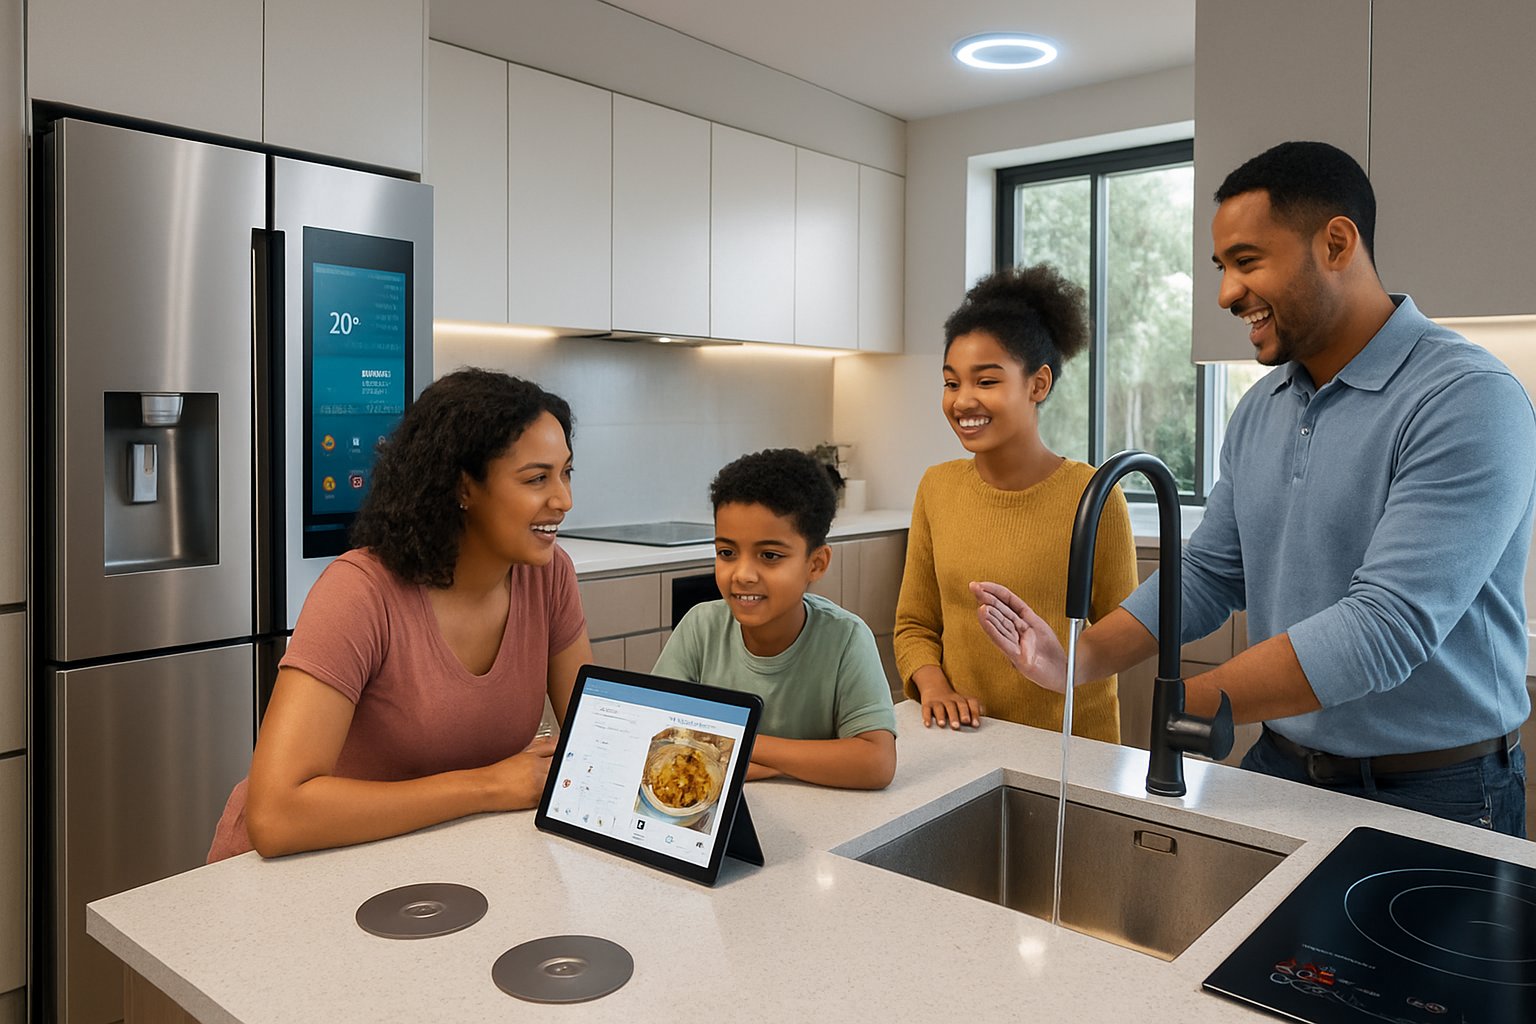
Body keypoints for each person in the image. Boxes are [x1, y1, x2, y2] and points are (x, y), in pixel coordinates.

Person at [973, 141, 1534, 835]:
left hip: (1436, 788)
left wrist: (1199, 696)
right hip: (1283, 762)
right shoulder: (1263, 407)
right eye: (1221, 268)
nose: (1226, 293)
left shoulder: (1466, 398)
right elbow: (1211, 571)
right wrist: (1077, 658)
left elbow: (1385, 628)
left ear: (1336, 243)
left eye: (1246, 261)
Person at [207, 369, 593, 860]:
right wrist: (490, 786)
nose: (563, 500)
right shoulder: (360, 592)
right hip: (295, 870)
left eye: (566, 473)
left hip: (423, 862)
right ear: (463, 487)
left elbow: (592, 737)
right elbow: (277, 814)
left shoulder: (549, 575)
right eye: (537, 478)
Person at [894, 264, 1138, 738]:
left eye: (985, 382)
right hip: (962, 739)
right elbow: (914, 625)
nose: (962, 400)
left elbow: (1126, 635)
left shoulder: (1095, 496)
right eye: (951, 383)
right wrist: (934, 687)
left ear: (1038, 384)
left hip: (1070, 749)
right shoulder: (936, 488)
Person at [652, 448, 897, 789]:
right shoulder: (699, 628)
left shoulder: (846, 639)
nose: (743, 574)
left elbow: (876, 762)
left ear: (816, 563)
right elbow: (654, 734)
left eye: (769, 556)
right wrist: (793, 761)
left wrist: (745, 748)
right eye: (726, 553)